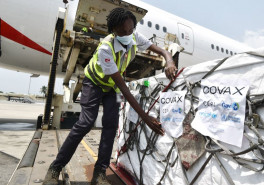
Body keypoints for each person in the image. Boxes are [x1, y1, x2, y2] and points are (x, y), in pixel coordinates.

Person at [43, 7, 177, 185]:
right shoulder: (106, 48)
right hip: (95, 83)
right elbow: (123, 86)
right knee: (85, 123)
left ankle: (99, 173)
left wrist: (169, 60)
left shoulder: (135, 37)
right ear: (113, 31)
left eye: (130, 30)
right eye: (123, 31)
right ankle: (55, 168)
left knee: (111, 126)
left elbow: (163, 51)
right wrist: (145, 117)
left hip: (112, 87)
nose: (128, 34)